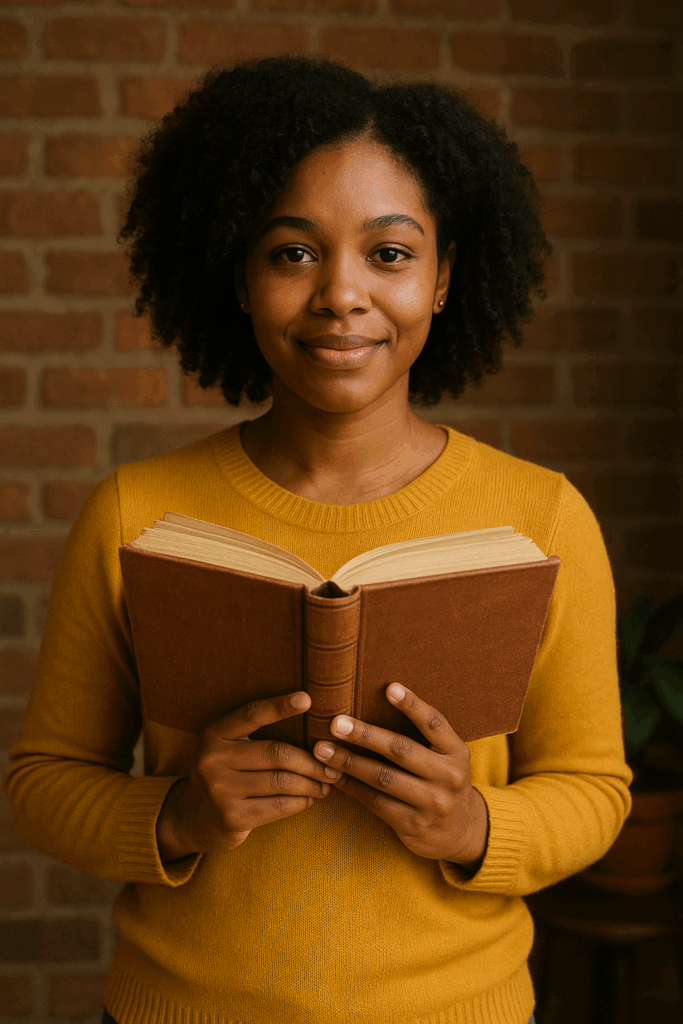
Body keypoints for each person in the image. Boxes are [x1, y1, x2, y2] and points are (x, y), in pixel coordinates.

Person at [4, 55, 631, 1024]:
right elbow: (43, 782)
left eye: (388, 253)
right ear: (239, 274)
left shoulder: (541, 517)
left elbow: (594, 790)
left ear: (442, 277)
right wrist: (176, 812)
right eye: (292, 252)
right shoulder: (136, 511)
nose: (341, 294)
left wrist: (472, 824)